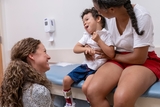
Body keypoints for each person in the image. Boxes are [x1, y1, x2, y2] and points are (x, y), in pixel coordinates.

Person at [84, 0, 160, 107]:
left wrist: (114, 56)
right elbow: (97, 35)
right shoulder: (109, 18)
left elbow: (139, 58)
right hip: (118, 58)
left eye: (98, 10)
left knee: (121, 99)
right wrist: (88, 47)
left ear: (111, 10)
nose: (98, 13)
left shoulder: (142, 16)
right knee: (92, 92)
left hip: (144, 60)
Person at [62, 7, 114, 107]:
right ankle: (69, 103)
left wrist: (99, 40)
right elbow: (76, 48)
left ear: (98, 19)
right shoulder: (87, 35)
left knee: (86, 87)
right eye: (83, 22)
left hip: (97, 69)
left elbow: (111, 53)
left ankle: (92, 102)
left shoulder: (106, 35)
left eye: (87, 19)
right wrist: (85, 49)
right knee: (66, 80)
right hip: (85, 66)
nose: (84, 23)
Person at [0, 37, 53, 107]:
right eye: (44, 52)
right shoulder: (38, 91)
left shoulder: (14, 85)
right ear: (31, 55)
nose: (49, 57)